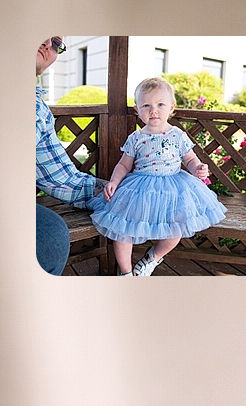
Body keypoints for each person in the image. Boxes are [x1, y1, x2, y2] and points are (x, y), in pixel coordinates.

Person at [91, 76, 226, 276]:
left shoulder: (177, 135)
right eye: (146, 105)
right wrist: (114, 181)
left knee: (177, 228)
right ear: (137, 110)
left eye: (160, 104)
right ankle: (126, 272)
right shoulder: (136, 138)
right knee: (122, 230)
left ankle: (151, 258)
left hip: (173, 188)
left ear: (171, 107)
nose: (153, 110)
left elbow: (189, 159)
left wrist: (197, 167)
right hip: (139, 189)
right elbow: (124, 164)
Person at [35, 35, 105, 275]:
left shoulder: (37, 107)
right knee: (50, 236)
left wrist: (107, 189)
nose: (46, 44)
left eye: (56, 42)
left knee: (52, 235)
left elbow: (60, 177)